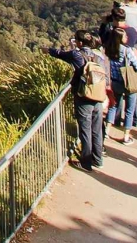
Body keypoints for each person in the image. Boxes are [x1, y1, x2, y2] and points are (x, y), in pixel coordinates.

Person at [50, 32, 108, 171]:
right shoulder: (99, 56)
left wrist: (49, 51)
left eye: (76, 40)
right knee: (97, 129)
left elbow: (60, 54)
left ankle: (86, 163)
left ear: (80, 43)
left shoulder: (77, 55)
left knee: (85, 130)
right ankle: (97, 159)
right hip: (98, 96)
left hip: (84, 97)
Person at [104, 26, 137, 143]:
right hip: (129, 82)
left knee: (114, 106)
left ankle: (107, 130)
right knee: (129, 110)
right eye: (125, 36)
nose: (127, 38)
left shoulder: (109, 49)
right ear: (120, 39)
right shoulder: (127, 50)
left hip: (115, 81)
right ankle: (126, 136)